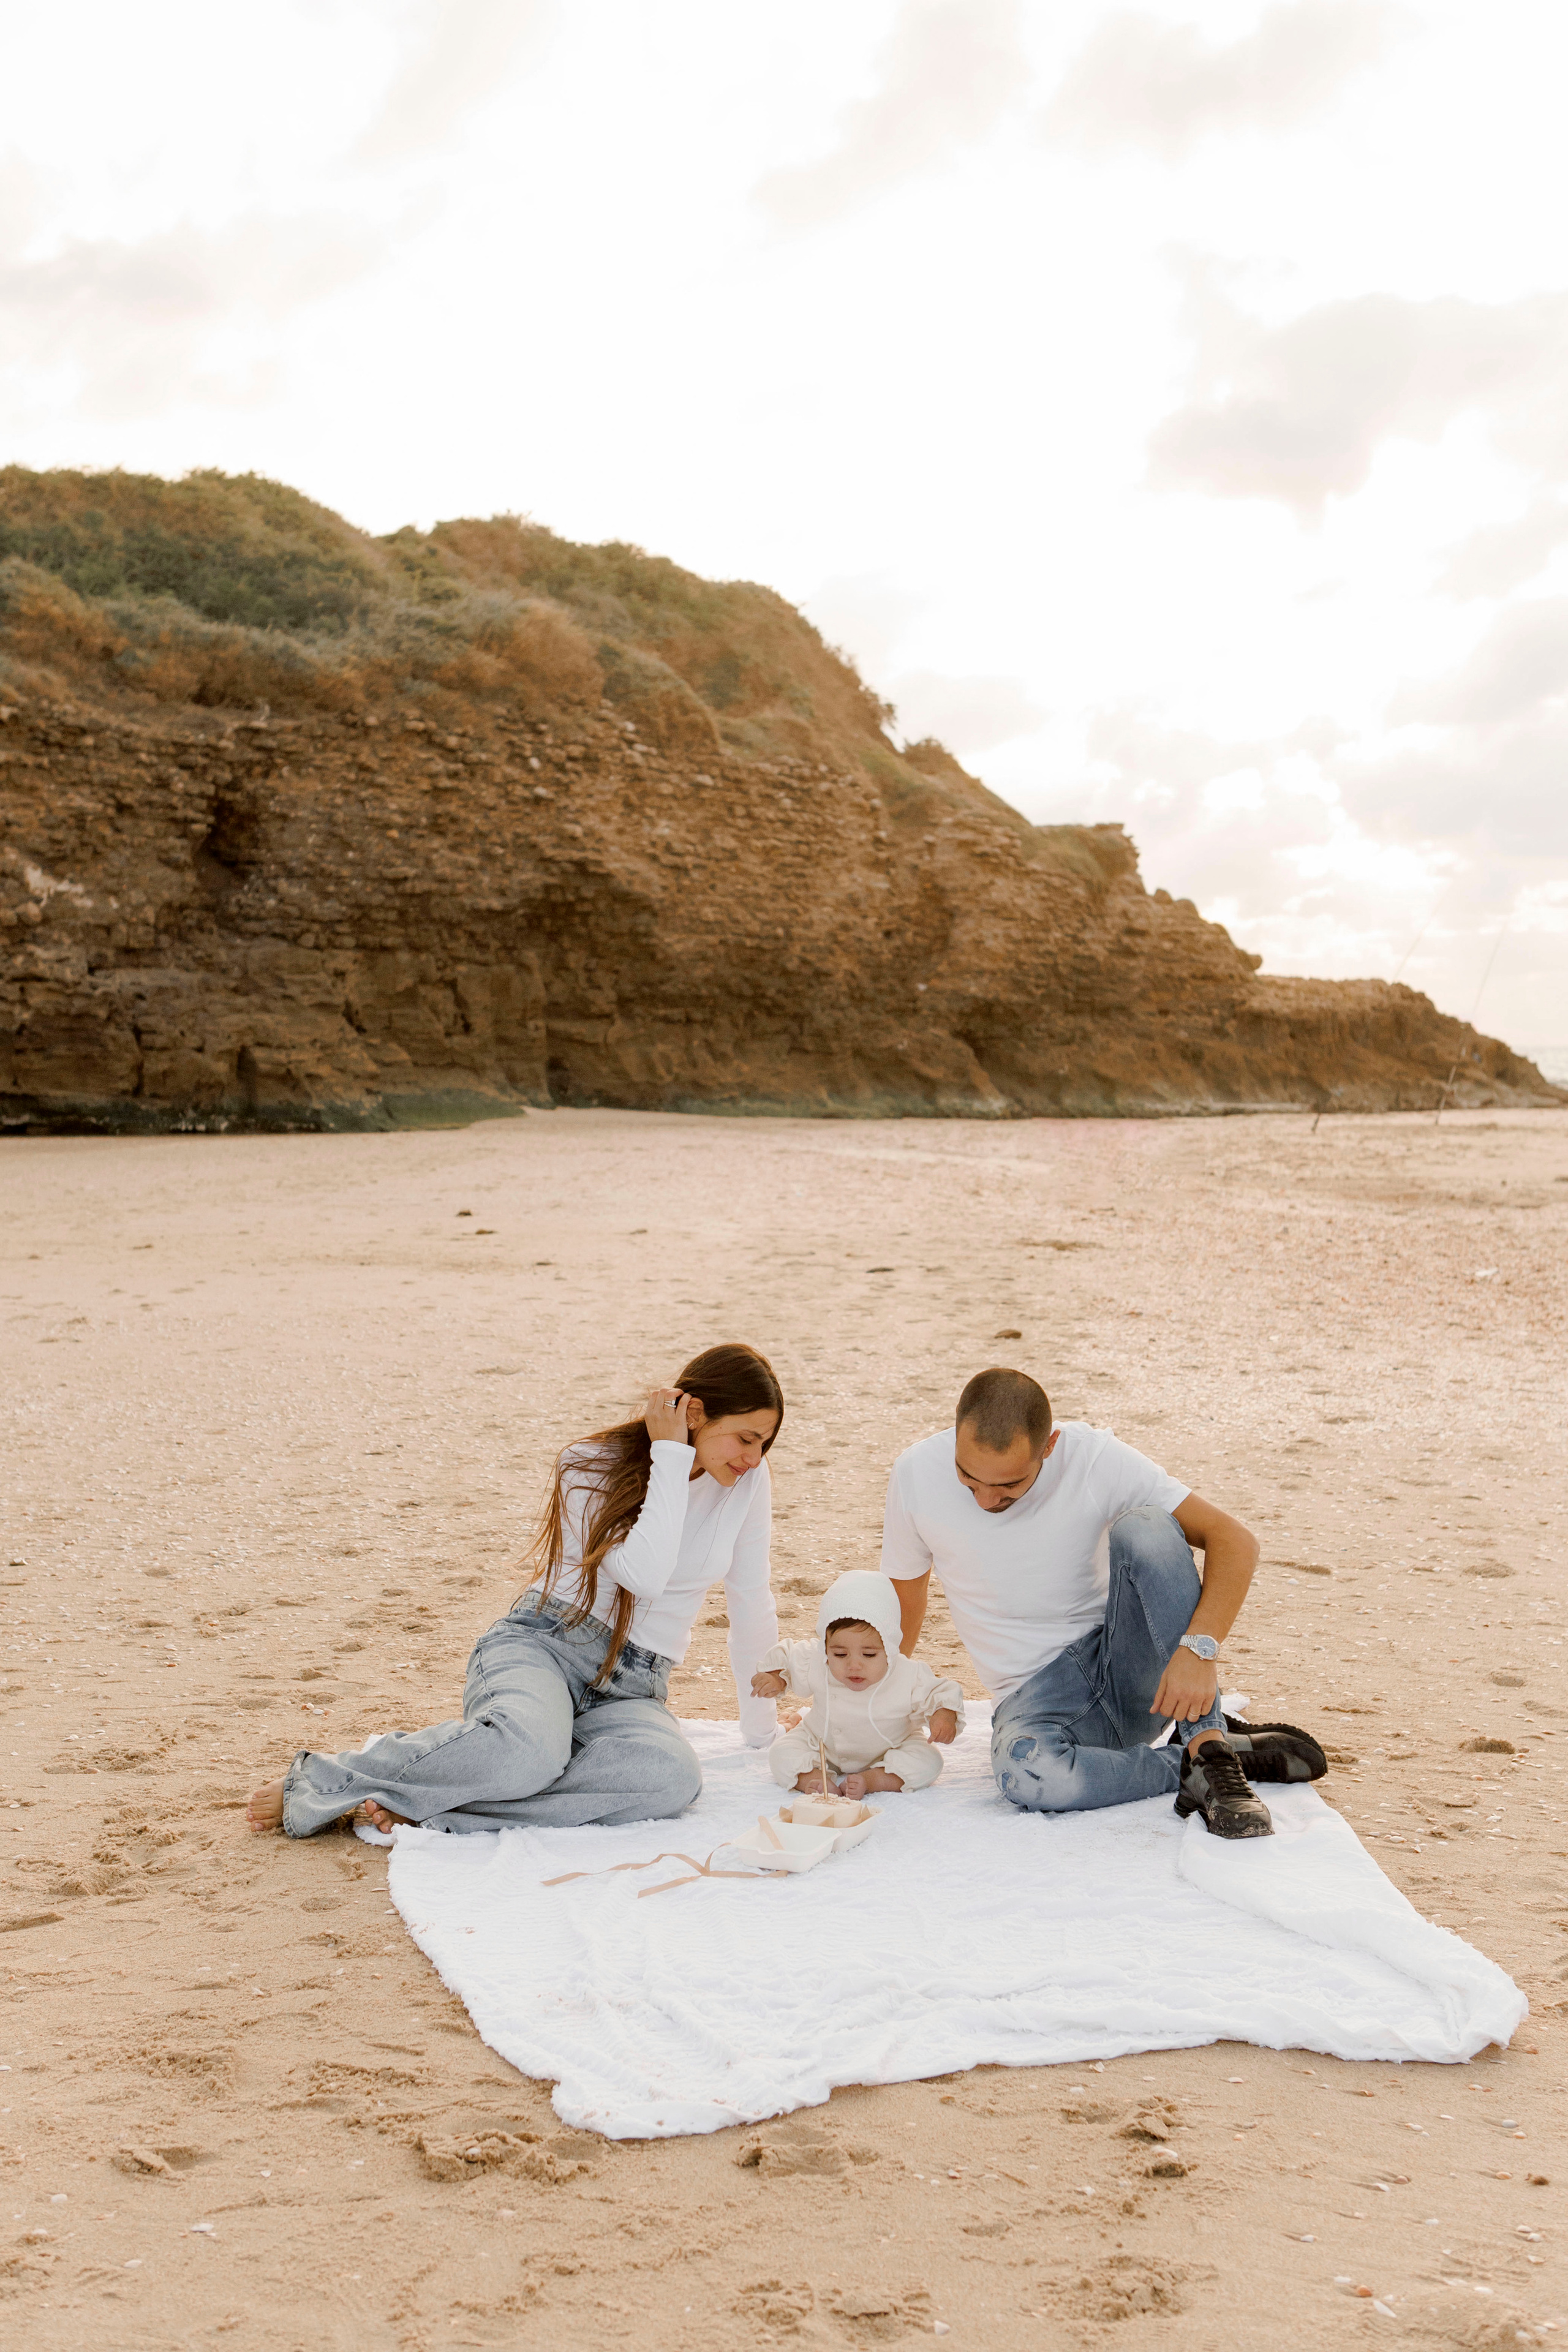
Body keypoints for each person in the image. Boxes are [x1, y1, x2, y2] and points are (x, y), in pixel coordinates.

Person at [246, 1343, 784, 1838]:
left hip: (636, 1684)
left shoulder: (748, 1484)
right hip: (547, 1645)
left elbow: (752, 1598)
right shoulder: (588, 1466)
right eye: (746, 1438)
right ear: (694, 1414)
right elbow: (644, 1573)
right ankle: (330, 1781)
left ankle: (445, 1806)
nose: (754, 1458)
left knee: (670, 1779)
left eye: (764, 1444)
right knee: (528, 1753)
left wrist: (761, 1731)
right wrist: (670, 1455)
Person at [880, 1367, 1325, 1840]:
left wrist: (1200, 1651)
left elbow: (1234, 1540)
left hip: (1128, 1668)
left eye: (1009, 1486)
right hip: (1034, 1701)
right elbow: (903, 1602)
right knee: (1028, 1778)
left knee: (1149, 1528)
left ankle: (1209, 1750)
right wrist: (872, 1702)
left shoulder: (1092, 1457)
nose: (986, 1500)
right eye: (968, 1478)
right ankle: (1195, 1761)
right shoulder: (915, 1474)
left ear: (1048, 1447)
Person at [752, 1568, 965, 1800]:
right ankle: (813, 1779)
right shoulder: (817, 1660)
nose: (854, 1666)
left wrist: (943, 1716)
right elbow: (789, 1657)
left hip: (892, 1747)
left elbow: (939, 1692)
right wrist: (775, 1677)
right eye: (841, 1655)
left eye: (869, 1655)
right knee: (781, 1753)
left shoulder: (906, 1674)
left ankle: (875, 1779)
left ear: (890, 1649)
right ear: (826, 1648)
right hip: (821, 1743)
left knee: (928, 1761)